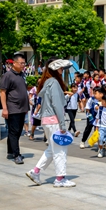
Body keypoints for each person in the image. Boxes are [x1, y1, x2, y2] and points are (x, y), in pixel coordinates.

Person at [25, 59, 75, 187]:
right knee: (60, 150)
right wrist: (63, 125)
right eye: (61, 69)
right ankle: (60, 179)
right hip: (54, 120)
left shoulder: (46, 82)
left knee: (52, 149)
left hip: (46, 120)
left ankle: (35, 172)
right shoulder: (54, 82)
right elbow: (57, 105)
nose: (62, 71)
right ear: (56, 69)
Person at [0, 53, 30, 164]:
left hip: (22, 108)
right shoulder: (8, 75)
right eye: (21, 63)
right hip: (13, 108)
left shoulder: (22, 75)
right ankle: (16, 155)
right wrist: (5, 108)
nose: (23, 65)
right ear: (15, 63)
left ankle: (10, 151)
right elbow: (3, 92)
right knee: (14, 131)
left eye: (24, 63)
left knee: (16, 132)